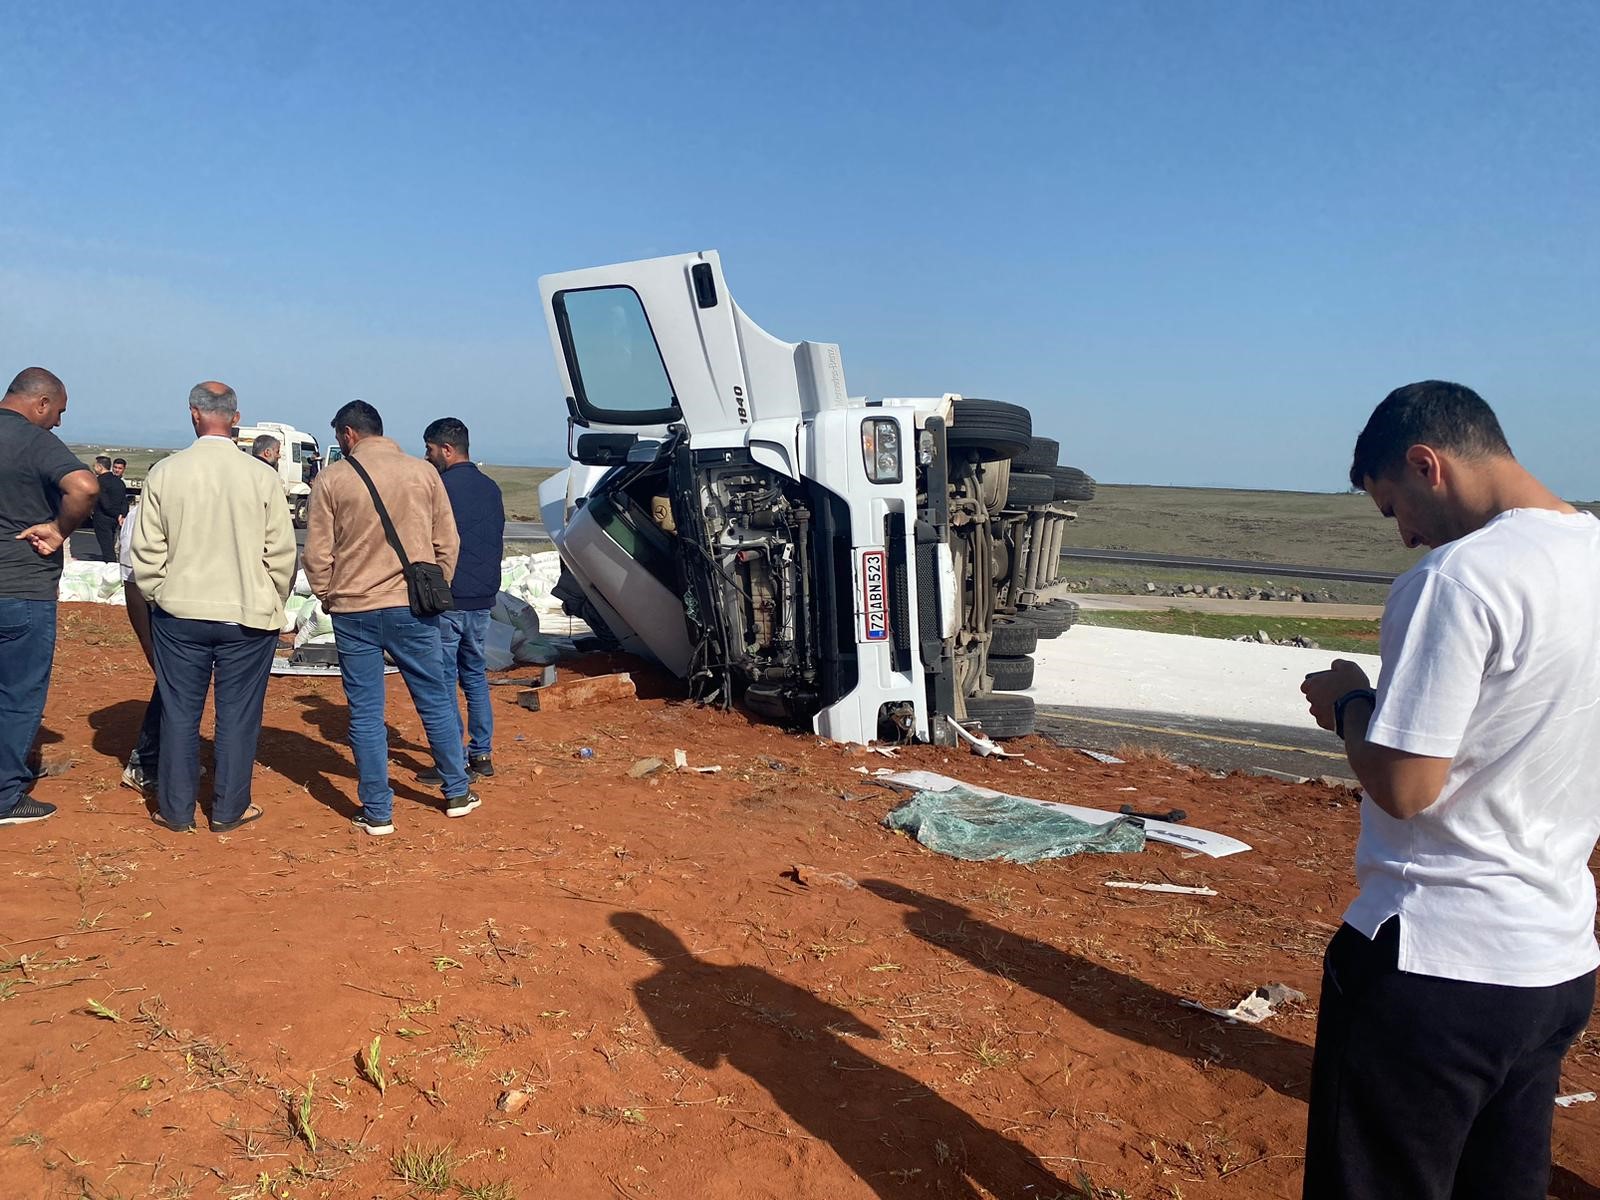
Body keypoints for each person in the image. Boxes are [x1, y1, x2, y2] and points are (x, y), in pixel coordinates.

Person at [1299, 381, 1600, 1199]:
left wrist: (1350, 704)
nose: (1405, 536)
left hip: (1437, 964)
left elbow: (1406, 786)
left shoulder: (1458, 581)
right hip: (1555, 962)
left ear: (1427, 463)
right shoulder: (1593, 556)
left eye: (1396, 507)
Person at [303, 400, 477, 835]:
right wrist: (436, 587)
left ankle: (378, 811)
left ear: (347, 435)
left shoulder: (332, 478)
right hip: (412, 607)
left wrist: (327, 594)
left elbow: (317, 553)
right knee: (435, 697)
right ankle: (456, 790)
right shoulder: (423, 473)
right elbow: (447, 542)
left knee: (364, 711)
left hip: (353, 609)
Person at [130, 382, 296, 833]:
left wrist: (160, 592)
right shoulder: (261, 476)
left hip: (180, 613)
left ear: (193, 415)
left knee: (179, 712)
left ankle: (176, 809)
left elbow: (146, 550)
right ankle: (229, 809)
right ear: (236, 417)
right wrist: (270, 597)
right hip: (247, 614)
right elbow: (281, 552)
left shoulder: (166, 472)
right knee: (239, 714)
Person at [0, 368, 98, 826]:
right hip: (20, 586)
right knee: (18, 694)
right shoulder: (31, 441)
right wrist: (60, 530)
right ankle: (4, 796)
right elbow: (84, 486)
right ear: (40, 403)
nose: (57, 422)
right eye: (58, 411)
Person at [420, 417, 504, 782]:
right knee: (474, 676)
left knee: (442, 680)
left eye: (430, 449)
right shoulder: (491, 487)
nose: (427, 456)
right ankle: (481, 754)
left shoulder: (441, 487)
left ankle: (452, 760)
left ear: (447, 449)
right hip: (483, 597)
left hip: (449, 598)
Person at [117, 492, 161, 797]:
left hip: (180, 607)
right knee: (172, 683)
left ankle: (166, 758)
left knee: (181, 684)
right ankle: (144, 763)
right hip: (154, 605)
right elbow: (133, 580)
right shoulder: (142, 513)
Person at [90, 454, 128, 562]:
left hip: (103, 518)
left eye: (95, 466)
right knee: (111, 545)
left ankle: (111, 571)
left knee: (107, 550)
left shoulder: (100, 481)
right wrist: (122, 515)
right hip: (114, 520)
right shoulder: (119, 482)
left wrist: (116, 514)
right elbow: (124, 501)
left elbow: (105, 503)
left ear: (100, 467)